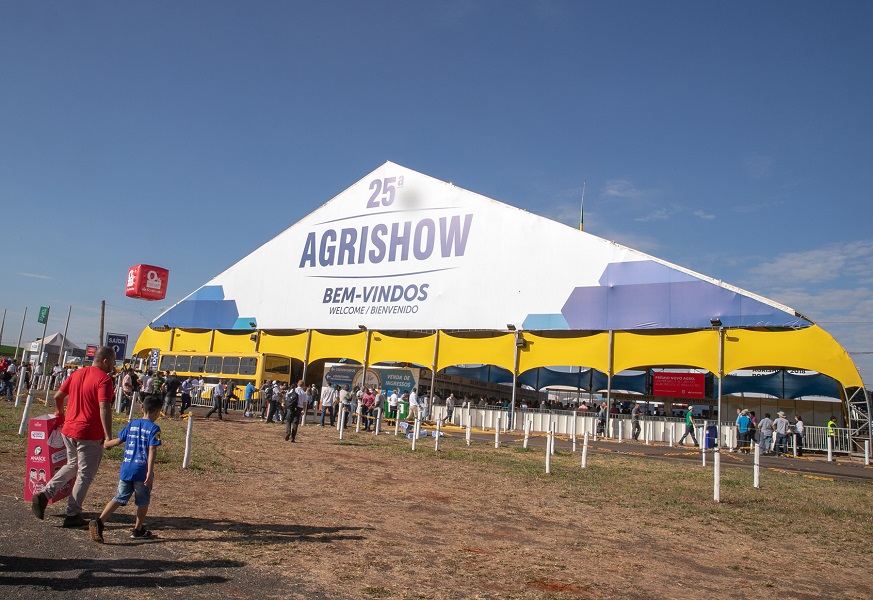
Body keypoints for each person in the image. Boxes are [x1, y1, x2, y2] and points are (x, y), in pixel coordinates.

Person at [31, 346, 116, 528]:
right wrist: (108, 435)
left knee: (72, 465)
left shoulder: (77, 374)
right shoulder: (104, 380)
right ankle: (72, 514)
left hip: (69, 429)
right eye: (113, 361)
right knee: (85, 474)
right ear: (105, 361)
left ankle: (45, 494)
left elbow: (58, 396)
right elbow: (104, 407)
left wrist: (61, 413)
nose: (114, 365)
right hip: (89, 433)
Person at [89, 394, 163, 543]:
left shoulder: (132, 424)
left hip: (127, 468)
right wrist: (149, 473)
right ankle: (138, 529)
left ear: (142, 408)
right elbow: (152, 450)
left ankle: (100, 521)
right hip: (141, 471)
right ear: (156, 412)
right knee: (143, 501)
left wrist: (106, 444)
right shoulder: (154, 428)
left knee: (119, 497)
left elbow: (117, 441)